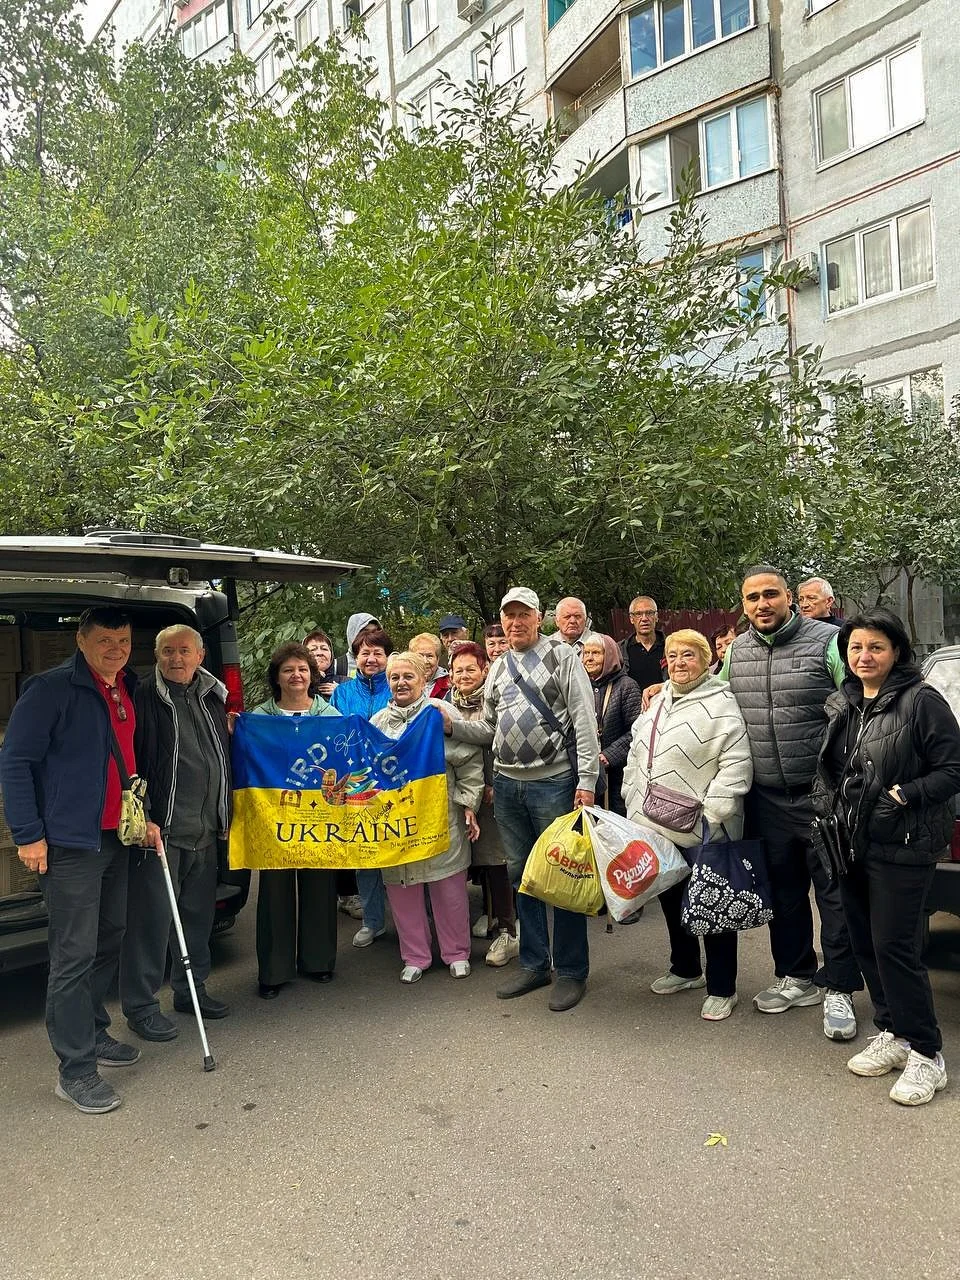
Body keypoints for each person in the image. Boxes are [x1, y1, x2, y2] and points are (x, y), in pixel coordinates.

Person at [0, 606, 161, 1115]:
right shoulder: (50, 690)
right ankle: (75, 1070)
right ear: (81, 639)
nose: (116, 648)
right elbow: (16, 761)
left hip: (118, 836)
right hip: (69, 843)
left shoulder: (126, 686)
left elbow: (127, 765)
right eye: (105, 640)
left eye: (123, 640)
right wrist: (28, 835)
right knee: (72, 956)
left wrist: (143, 819)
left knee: (109, 935)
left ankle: (93, 1031)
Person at [814, 608, 960, 1105]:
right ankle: (892, 1034)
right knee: (864, 943)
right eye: (855, 647)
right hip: (850, 840)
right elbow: (833, 767)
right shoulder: (844, 702)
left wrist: (904, 795)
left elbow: (953, 769)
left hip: (903, 844)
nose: (864, 656)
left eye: (875, 646)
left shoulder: (922, 702)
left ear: (896, 651)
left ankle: (927, 1053)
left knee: (895, 947)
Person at [719, 564, 863, 1040]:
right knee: (783, 894)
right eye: (752, 598)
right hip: (766, 798)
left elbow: (860, 700)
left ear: (790, 599)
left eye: (770, 595)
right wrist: (665, 696)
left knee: (835, 895)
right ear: (743, 606)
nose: (762, 604)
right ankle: (797, 976)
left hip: (823, 795)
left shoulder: (826, 641)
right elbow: (712, 699)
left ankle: (839, 986)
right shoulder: (736, 652)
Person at [443, 587, 599, 1011]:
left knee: (564, 878)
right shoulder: (498, 668)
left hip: (554, 785)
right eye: (508, 615)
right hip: (509, 787)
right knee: (522, 878)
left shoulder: (563, 657)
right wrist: (452, 725)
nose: (515, 622)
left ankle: (571, 971)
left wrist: (587, 782)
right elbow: (489, 728)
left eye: (523, 614)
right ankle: (534, 963)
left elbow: (585, 722)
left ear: (539, 617)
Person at [623, 629, 753, 1021]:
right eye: (673, 656)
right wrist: (632, 799)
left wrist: (711, 814)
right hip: (653, 823)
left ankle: (722, 986)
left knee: (713, 905)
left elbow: (736, 764)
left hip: (703, 829)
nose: (680, 663)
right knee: (671, 899)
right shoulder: (657, 702)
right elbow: (635, 753)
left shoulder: (723, 703)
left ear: (705, 658)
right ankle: (685, 968)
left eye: (689, 656)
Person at [120, 625, 231, 1043]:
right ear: (156, 655)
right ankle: (141, 1006)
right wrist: (145, 816)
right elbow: (132, 761)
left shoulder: (211, 696)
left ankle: (191, 991)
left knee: (197, 919)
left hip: (204, 830)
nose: (176, 659)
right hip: (161, 831)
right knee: (150, 923)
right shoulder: (143, 698)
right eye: (168, 651)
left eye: (184, 651)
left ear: (200, 655)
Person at [372, 652, 484, 983]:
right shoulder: (377, 723)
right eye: (394, 677)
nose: (401, 682)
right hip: (397, 822)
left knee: (447, 886)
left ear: (424, 680)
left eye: (408, 676)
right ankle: (415, 956)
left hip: (440, 814)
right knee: (402, 889)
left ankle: (456, 953)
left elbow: (469, 761)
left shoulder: (441, 714)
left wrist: (467, 803)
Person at [252, 643, 341, 999]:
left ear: (312, 675)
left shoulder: (331, 717)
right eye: (288, 670)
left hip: (318, 816)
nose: (296, 676)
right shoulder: (258, 718)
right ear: (277, 677)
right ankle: (273, 971)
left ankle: (319, 961)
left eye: (302, 669)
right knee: (274, 892)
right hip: (274, 817)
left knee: (320, 887)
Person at [449, 641, 519, 966]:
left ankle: (509, 929)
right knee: (471, 864)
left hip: (492, 796)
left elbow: (497, 741)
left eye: (470, 669)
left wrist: (491, 782)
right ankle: (485, 916)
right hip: (458, 797)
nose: (464, 675)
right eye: (458, 669)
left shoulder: (494, 703)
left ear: (484, 670)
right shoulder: (446, 705)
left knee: (496, 861)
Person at [330, 629, 394, 947]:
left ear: (387, 658)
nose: (370, 659)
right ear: (355, 658)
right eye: (364, 653)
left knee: (399, 850)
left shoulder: (396, 686)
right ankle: (373, 920)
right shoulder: (342, 694)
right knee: (364, 852)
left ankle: (412, 918)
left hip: (393, 782)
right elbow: (329, 733)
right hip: (356, 784)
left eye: (377, 653)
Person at [580, 633, 642, 816]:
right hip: (585, 770)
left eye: (596, 653)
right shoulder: (579, 685)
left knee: (615, 821)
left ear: (609, 656)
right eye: (586, 653)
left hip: (617, 774)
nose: (589, 658)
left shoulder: (626, 686)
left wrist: (609, 755)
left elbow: (637, 730)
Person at [619, 596, 667, 689]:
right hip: (633, 703)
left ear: (656, 617)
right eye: (638, 614)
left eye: (649, 613)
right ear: (631, 618)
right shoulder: (621, 650)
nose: (644, 618)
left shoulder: (670, 647)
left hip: (665, 702)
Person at [338, 612, 382, 680]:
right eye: (365, 632)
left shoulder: (387, 664)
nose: (371, 636)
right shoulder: (338, 666)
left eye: (375, 632)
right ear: (353, 633)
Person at [409, 632, 450, 700]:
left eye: (430, 656)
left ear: (437, 659)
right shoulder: (403, 681)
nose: (425, 661)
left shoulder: (449, 684)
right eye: (420, 656)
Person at [303, 629, 342, 698]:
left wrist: (343, 694)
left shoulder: (347, 684)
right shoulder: (297, 681)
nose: (319, 653)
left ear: (331, 655)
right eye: (313, 649)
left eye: (324, 649)